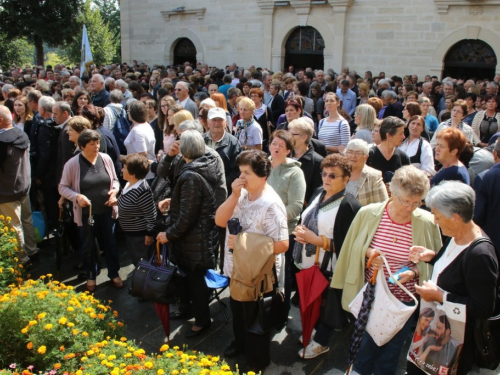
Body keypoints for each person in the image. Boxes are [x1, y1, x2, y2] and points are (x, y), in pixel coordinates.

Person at [331, 165, 442, 375]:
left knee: (391, 353)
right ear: (392, 192)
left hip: (403, 301)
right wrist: (369, 253)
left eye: (416, 202)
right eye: (405, 201)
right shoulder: (369, 213)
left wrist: (415, 272)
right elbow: (352, 246)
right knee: (364, 347)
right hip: (371, 295)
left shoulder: (427, 222)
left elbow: (435, 261)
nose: (410, 208)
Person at [407, 181, 499, 375]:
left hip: (456, 344)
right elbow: (454, 268)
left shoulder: (481, 254)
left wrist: (441, 297)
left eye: (438, 216)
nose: (435, 221)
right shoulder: (456, 235)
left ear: (456, 217)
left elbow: (483, 307)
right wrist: (432, 256)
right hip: (435, 328)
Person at [215, 150, 289, 373]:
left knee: (255, 318)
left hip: (258, 274)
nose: (242, 177)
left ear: (262, 175)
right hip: (237, 269)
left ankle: (257, 360)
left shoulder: (271, 204)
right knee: (238, 310)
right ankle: (240, 343)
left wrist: (242, 245)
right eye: (240, 171)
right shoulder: (244, 194)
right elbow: (220, 220)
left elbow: (283, 244)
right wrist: (234, 195)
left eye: (247, 172)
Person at [294, 154, 362, 359]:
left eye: (333, 175)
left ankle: (322, 341)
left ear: (346, 179)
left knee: (328, 305)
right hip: (308, 261)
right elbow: (307, 218)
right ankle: (315, 330)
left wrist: (318, 241)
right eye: (324, 173)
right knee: (312, 301)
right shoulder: (317, 192)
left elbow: (350, 247)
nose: (327, 178)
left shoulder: (350, 206)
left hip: (330, 267)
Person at [157, 130, 220, 338]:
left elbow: (187, 217)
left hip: (194, 240)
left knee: (196, 282)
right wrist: (174, 201)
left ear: (184, 149)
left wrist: (169, 235)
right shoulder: (203, 164)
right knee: (190, 279)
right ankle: (187, 308)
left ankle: (202, 321)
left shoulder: (191, 174)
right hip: (197, 237)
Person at [58, 129, 122, 292]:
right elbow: (63, 187)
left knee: (111, 243)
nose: (96, 147)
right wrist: (76, 196)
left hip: (107, 210)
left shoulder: (106, 158)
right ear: (82, 146)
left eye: (98, 143)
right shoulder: (72, 164)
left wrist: (114, 191)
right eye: (92, 144)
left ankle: (114, 273)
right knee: (88, 246)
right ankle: (91, 276)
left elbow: (114, 180)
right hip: (87, 213)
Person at [267, 130, 306, 323]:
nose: (276, 147)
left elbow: (296, 206)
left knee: (282, 274)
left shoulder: (295, 172)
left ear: (289, 150)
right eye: (274, 143)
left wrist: (274, 219)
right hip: (260, 230)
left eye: (282, 145)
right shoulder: (262, 166)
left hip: (284, 231)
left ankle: (281, 313)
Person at [0, 105, 38, 264]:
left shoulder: (2, 142)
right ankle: (32, 249)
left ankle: (22, 259)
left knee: (14, 226)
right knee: (27, 220)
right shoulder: (22, 135)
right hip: (24, 186)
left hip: (7, 190)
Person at [117, 153, 156, 268]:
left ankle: (145, 285)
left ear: (132, 173)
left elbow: (151, 214)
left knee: (143, 264)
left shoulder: (142, 190)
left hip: (139, 237)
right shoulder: (129, 184)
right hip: (130, 234)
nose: (122, 170)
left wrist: (149, 234)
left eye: (124, 167)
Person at [203, 107, 241, 194]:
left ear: (225, 123)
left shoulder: (233, 143)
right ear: (208, 122)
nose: (217, 123)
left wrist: (219, 186)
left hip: (224, 192)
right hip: (203, 191)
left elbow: (236, 171)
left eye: (220, 120)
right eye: (214, 119)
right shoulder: (200, 140)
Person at [288, 118, 324, 205]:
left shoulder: (318, 161)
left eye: (293, 134)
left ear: (304, 137)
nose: (289, 137)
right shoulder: (285, 155)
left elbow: (317, 192)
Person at [367, 116, 411, 185]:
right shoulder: (369, 155)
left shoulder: (403, 157)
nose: (403, 137)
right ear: (389, 135)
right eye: (400, 134)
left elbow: (408, 184)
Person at [345, 139, 389, 206]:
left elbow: (382, 205)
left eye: (358, 153)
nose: (353, 156)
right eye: (350, 152)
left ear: (366, 157)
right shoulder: (337, 173)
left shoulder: (374, 176)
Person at [124, 101, 156, 181]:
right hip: (144, 172)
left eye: (128, 111)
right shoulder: (146, 125)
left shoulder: (137, 130)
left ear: (133, 113)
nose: (127, 113)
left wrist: (124, 158)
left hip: (141, 174)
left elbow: (142, 153)